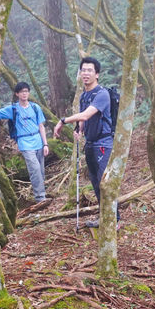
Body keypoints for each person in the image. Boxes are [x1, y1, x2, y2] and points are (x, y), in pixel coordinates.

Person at [53, 56, 113, 227]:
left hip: (103, 143)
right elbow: (83, 118)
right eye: (83, 70)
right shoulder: (84, 95)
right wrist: (78, 129)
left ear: (97, 74)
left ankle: (113, 221)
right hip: (91, 143)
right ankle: (104, 218)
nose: (86, 73)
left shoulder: (102, 94)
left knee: (104, 182)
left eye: (89, 70)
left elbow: (87, 114)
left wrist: (63, 120)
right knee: (95, 182)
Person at [0, 81, 49, 202]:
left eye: (26, 91)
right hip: (25, 142)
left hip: (38, 140)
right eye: (22, 92)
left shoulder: (35, 107)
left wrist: (45, 144)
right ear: (17, 94)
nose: (24, 94)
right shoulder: (13, 109)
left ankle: (42, 193)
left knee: (41, 170)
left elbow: (41, 126)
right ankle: (40, 198)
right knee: (35, 169)